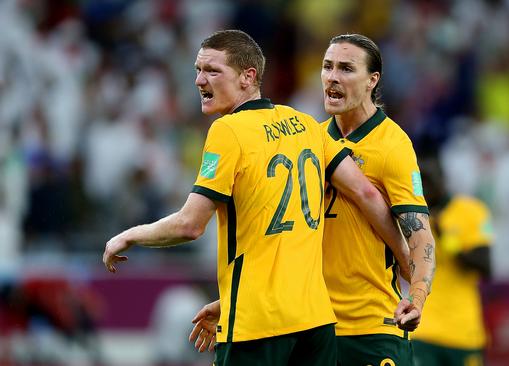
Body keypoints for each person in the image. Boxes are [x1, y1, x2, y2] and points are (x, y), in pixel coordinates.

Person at [103, 30, 408, 366]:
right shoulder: (304, 124)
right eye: (198, 70)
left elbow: (190, 225)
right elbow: (365, 192)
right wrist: (408, 265)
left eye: (213, 71)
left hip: (257, 324)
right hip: (316, 322)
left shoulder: (228, 131)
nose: (200, 80)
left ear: (248, 77)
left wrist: (129, 235)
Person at [319, 34, 437, 366]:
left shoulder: (392, 145)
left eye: (346, 68)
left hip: (372, 328)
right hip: (314, 327)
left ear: (372, 80)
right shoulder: (310, 141)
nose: (333, 77)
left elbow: (421, 236)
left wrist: (416, 298)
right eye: (327, 67)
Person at [412, 156, 493, 366]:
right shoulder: (411, 217)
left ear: (443, 179)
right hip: (424, 330)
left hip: (462, 332)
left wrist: (447, 239)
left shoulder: (471, 211)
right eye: (421, 181)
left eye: (429, 180)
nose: (426, 187)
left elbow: (486, 267)